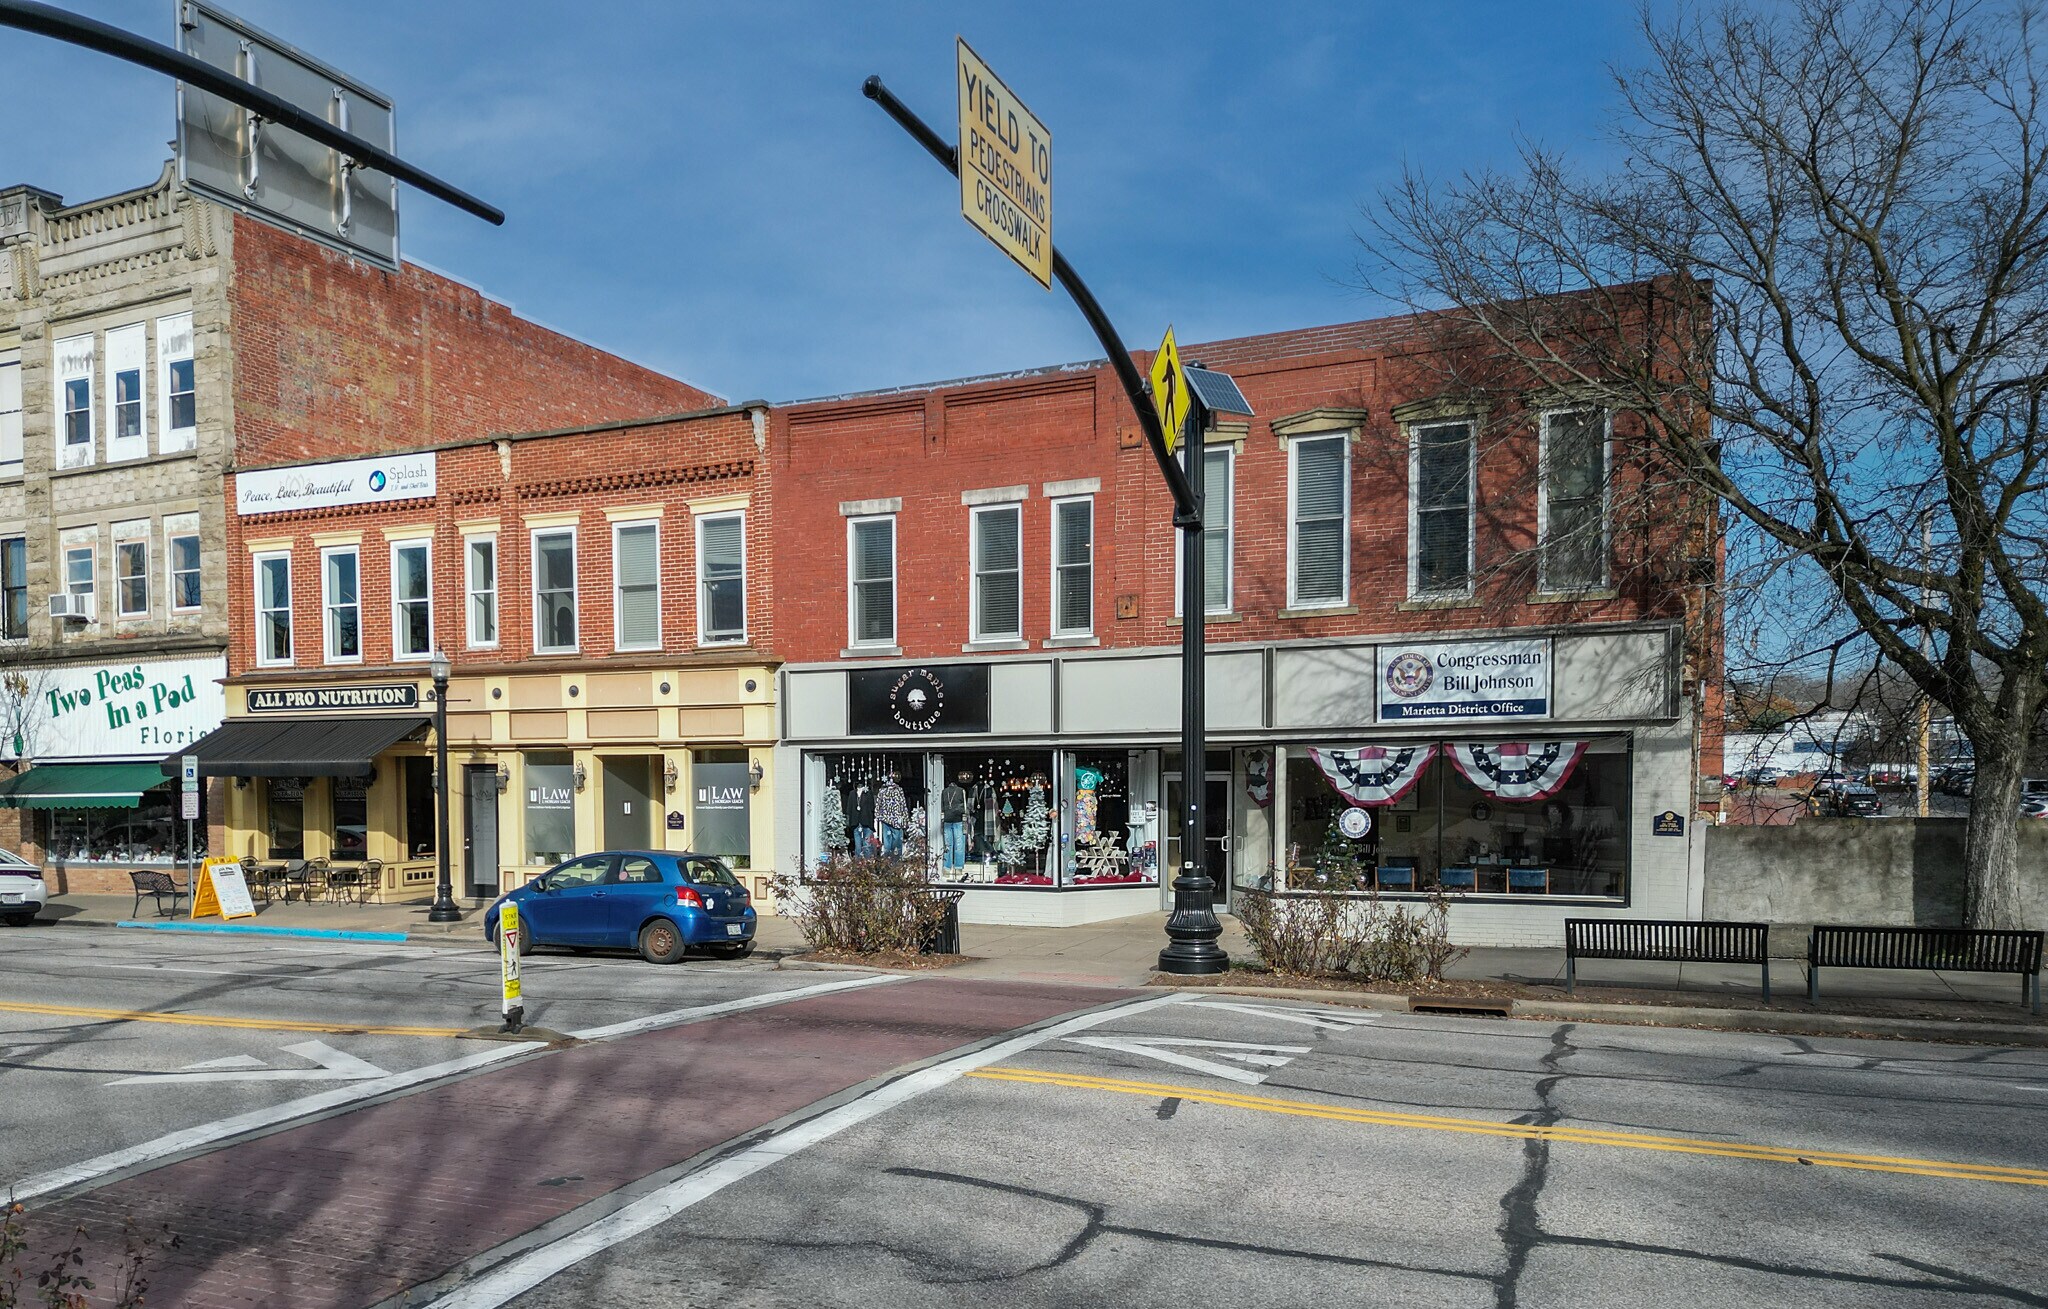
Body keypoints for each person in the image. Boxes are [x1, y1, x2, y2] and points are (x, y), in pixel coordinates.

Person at [940, 770, 970, 873]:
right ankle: (958, 868)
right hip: (958, 821)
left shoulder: (944, 791)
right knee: (959, 845)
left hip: (948, 821)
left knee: (948, 845)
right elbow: (965, 807)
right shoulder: (961, 791)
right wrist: (965, 820)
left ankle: (947, 868)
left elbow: (942, 808)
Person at [875, 770, 909, 860]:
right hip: (896, 819)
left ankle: (888, 862)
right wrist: (905, 819)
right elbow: (903, 805)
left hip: (886, 819)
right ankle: (894, 862)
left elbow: (878, 804)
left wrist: (878, 815)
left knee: (887, 842)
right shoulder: (898, 790)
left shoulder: (883, 790)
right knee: (896, 842)